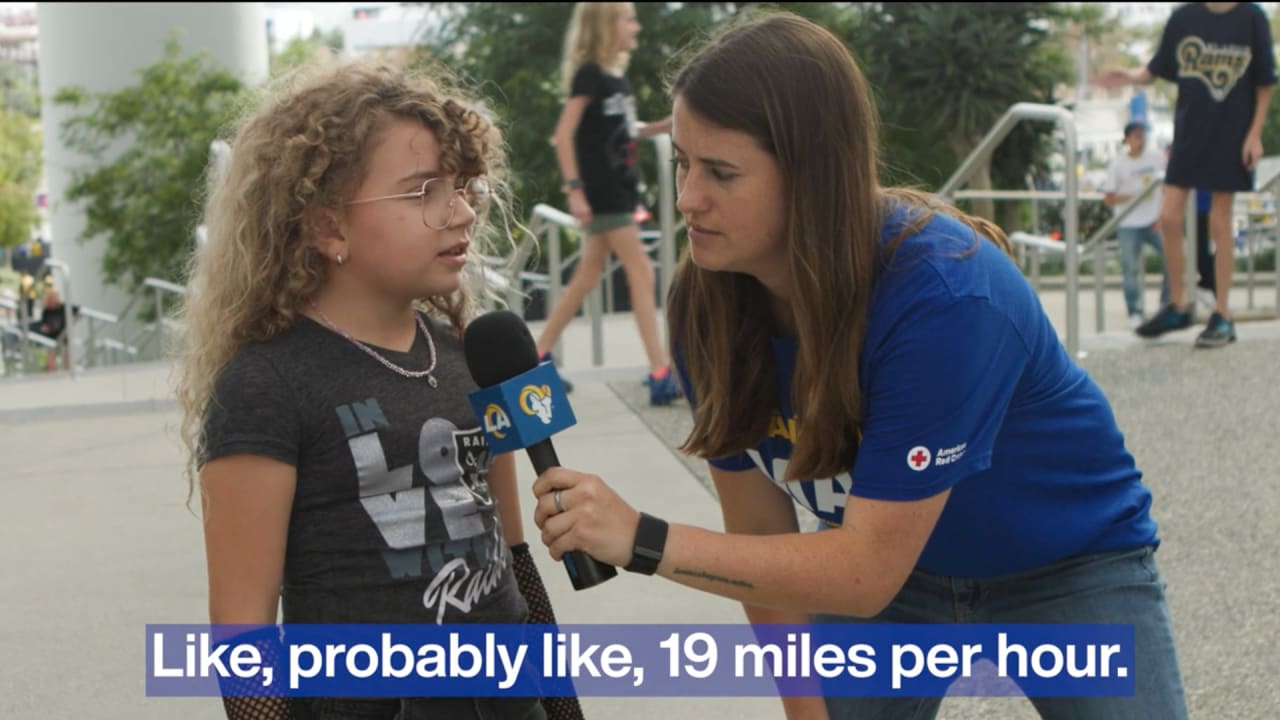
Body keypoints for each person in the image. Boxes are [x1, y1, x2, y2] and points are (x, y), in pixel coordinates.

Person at [530, 12, 1189, 720]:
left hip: (1064, 564)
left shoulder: (943, 296)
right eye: (684, 163)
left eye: (721, 172)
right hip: (891, 585)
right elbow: (762, 541)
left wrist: (643, 538)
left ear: (815, 174)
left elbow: (865, 573)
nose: (688, 198)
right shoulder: (707, 303)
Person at [175, 60, 570, 720]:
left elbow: (516, 560)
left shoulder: (478, 355)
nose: (463, 211)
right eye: (423, 192)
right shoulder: (264, 384)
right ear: (329, 228)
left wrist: (562, 707)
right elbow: (243, 630)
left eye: (463, 187)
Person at [1106, 2, 1276, 347]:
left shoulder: (1251, 17)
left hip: (1232, 133)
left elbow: (1264, 81)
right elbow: (1154, 70)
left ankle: (1223, 314)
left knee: (1219, 221)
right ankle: (1181, 303)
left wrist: (1254, 133)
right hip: (1189, 133)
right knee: (1169, 216)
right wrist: (1125, 76)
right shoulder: (1184, 17)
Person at [538, 2, 680, 405]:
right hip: (605, 195)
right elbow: (564, 135)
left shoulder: (617, 79)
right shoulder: (591, 75)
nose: (635, 26)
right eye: (629, 19)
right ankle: (659, 371)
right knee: (642, 273)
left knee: (586, 276)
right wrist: (575, 191)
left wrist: (664, 125)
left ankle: (537, 354)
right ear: (607, 25)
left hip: (620, 190)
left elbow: (622, 128)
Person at [1101, 121, 1169, 329]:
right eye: (1137, 136)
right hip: (1129, 223)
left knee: (1174, 257)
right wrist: (1134, 197)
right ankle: (1135, 311)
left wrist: (1163, 215)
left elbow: (1168, 186)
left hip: (1154, 221)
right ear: (1128, 139)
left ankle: (1167, 304)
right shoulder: (1118, 165)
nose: (1141, 141)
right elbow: (1108, 197)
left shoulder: (1156, 159)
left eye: (1143, 136)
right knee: (1130, 268)